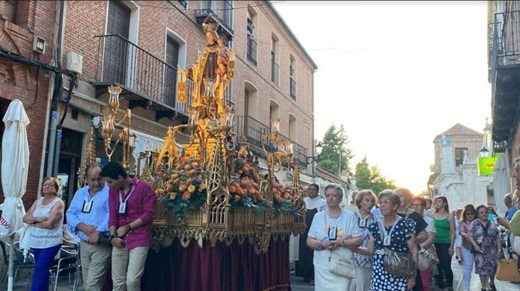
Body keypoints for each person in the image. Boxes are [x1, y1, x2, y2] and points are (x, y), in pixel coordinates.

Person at [100, 161, 157, 291]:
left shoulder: (144, 188)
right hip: (119, 239)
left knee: (132, 280)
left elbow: (149, 214)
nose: (108, 185)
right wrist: (112, 236)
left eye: (110, 182)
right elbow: (113, 214)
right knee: (118, 282)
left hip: (139, 238)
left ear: (120, 178)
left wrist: (127, 227)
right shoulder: (113, 191)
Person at [306, 184, 363, 290]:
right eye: (327, 195)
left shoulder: (349, 216)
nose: (330, 198)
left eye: (334, 195)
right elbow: (309, 240)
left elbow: (358, 240)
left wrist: (341, 243)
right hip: (322, 265)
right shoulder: (318, 216)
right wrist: (320, 244)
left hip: (342, 264)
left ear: (340, 198)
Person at [66, 163, 111, 291]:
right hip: (84, 243)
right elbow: (70, 213)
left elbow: (111, 213)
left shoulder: (109, 192)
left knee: (92, 285)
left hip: (101, 244)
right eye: (93, 179)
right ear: (86, 178)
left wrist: (98, 231)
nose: (96, 183)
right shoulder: (80, 193)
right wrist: (83, 227)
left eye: (99, 179)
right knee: (87, 283)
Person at [367, 189, 418, 291]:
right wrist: (350, 246)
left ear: (395, 206)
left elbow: (414, 251)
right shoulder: (375, 225)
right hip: (379, 271)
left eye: (386, 202)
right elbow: (370, 250)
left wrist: (412, 276)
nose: (382, 205)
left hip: (400, 270)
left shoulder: (405, 224)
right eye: (380, 202)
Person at [23, 177, 65, 291]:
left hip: (51, 242)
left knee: (40, 269)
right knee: (42, 270)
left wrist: (33, 222)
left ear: (56, 188)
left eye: (51, 185)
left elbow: (50, 224)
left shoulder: (58, 203)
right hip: (36, 241)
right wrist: (39, 219)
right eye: (45, 185)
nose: (47, 187)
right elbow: (25, 218)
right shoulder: (38, 201)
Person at [394, 187, 428, 291]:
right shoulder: (390, 214)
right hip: (393, 256)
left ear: (408, 199)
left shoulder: (414, 215)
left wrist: (411, 241)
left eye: (401, 196)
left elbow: (424, 235)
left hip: (411, 256)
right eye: (396, 196)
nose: (398, 199)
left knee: (412, 284)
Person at [468, 205, 502, 291]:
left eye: (485, 212)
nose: (484, 214)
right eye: (481, 213)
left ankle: (492, 282)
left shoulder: (492, 224)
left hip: (492, 250)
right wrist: (475, 245)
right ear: (478, 214)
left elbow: (497, 237)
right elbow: (469, 235)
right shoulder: (474, 223)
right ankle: (483, 287)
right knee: (481, 269)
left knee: (492, 268)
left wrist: (499, 249)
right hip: (480, 250)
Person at [299, 183, 326, 284]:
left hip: (315, 231)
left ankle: (314, 276)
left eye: (313, 190)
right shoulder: (303, 201)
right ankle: (305, 274)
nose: (311, 191)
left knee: (313, 253)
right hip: (304, 230)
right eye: (310, 189)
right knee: (304, 252)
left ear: (317, 191)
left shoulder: (322, 203)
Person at [352, 189, 378, 291]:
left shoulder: (376, 220)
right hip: (349, 260)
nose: (370, 203)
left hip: (366, 262)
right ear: (360, 201)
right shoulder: (351, 216)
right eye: (367, 200)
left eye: (372, 201)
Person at [411, 196, 437, 291]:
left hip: (423, 253)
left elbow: (430, 239)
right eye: (413, 205)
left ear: (424, 206)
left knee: (424, 281)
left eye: (418, 205)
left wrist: (417, 248)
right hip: (410, 254)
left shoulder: (429, 221)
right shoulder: (408, 219)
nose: (415, 207)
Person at [432, 195, 455, 291]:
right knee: (437, 266)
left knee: (446, 265)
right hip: (434, 243)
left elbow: (453, 232)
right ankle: (440, 286)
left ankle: (450, 285)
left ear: (444, 203)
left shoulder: (449, 216)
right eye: (436, 202)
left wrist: (451, 246)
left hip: (446, 243)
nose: (437, 204)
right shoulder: (432, 216)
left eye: (439, 201)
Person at [459, 204, 477, 291]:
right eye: (467, 214)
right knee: (468, 266)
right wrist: (467, 235)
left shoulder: (478, 222)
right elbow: (461, 231)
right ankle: (466, 287)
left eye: (471, 213)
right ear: (464, 214)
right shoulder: (462, 223)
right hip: (466, 247)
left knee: (482, 266)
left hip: (479, 247)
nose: (469, 215)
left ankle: (486, 284)